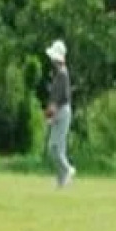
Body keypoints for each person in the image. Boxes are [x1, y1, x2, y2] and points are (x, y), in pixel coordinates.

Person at [43, 39, 75, 188]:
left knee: (54, 147)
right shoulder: (60, 73)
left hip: (62, 111)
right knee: (57, 148)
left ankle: (67, 170)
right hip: (60, 111)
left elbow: (59, 97)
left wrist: (50, 113)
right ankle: (62, 179)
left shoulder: (62, 74)